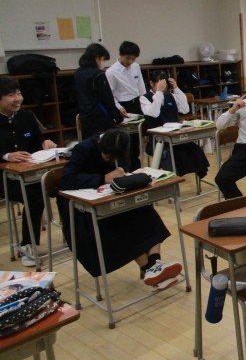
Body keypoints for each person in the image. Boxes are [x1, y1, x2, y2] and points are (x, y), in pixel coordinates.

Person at [59, 129, 182, 288]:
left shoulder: (123, 145)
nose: (111, 160)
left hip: (115, 199)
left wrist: (126, 175)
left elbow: (130, 169)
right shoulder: (84, 149)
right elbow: (67, 180)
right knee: (122, 224)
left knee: (146, 212)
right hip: (85, 211)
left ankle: (154, 265)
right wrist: (103, 178)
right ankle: (151, 269)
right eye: (108, 157)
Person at [0, 77, 57, 266]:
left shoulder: (26, 116)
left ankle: (70, 234)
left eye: (19, 93)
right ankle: (27, 244)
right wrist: (6, 156)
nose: (17, 99)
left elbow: (36, 142)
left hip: (28, 174)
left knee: (57, 185)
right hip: (4, 179)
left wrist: (45, 143)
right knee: (34, 194)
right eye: (11, 95)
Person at [141, 70, 209, 178]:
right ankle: (173, 180)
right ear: (151, 83)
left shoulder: (171, 95)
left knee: (194, 149)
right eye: (160, 83)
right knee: (170, 154)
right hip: (158, 141)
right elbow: (155, 113)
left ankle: (199, 173)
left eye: (165, 83)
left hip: (175, 136)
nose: (163, 86)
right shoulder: (144, 98)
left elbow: (185, 109)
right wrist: (159, 93)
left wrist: (176, 88)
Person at [105, 40, 146, 168]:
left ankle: (137, 167)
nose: (130, 61)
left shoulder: (136, 66)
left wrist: (144, 101)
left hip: (137, 103)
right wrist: (118, 107)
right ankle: (128, 167)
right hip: (123, 107)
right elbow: (110, 95)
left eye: (133, 59)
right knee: (125, 141)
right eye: (128, 58)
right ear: (121, 55)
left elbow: (141, 87)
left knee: (136, 140)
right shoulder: (111, 72)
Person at [75, 43, 123, 139]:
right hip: (101, 118)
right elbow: (107, 99)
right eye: (103, 59)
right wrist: (118, 117)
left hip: (85, 116)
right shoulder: (98, 75)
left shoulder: (78, 73)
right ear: (97, 57)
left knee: (91, 144)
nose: (103, 63)